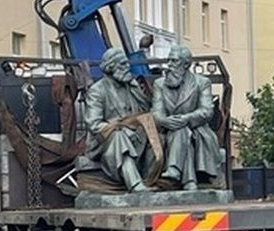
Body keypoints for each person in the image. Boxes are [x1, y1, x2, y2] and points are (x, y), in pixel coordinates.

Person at [152, 45, 223, 191]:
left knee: (182, 131)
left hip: (196, 128)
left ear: (185, 64)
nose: (169, 65)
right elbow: (156, 112)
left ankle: (177, 171)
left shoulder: (201, 82)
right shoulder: (159, 84)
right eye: (168, 60)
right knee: (181, 131)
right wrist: (165, 121)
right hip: (167, 129)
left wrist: (187, 118)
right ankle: (188, 181)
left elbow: (207, 111)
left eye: (174, 61)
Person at [85, 48, 152, 192]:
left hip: (135, 136)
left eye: (127, 63)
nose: (128, 67)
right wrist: (122, 128)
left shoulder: (131, 86)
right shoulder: (97, 90)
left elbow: (146, 112)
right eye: (123, 64)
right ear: (110, 67)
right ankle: (135, 184)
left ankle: (155, 180)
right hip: (106, 142)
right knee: (119, 137)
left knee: (157, 135)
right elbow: (94, 125)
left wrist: (137, 90)